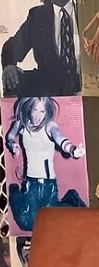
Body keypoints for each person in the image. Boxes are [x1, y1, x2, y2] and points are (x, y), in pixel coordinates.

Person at [1, 0, 80, 97]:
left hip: (84, 80)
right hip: (50, 87)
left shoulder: (85, 8)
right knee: (13, 81)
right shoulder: (37, 17)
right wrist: (8, 65)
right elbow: (12, 47)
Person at [4, 96, 86, 231]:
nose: (38, 115)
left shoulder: (50, 126)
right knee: (28, 224)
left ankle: (71, 200)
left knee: (48, 223)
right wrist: (12, 144)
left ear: (47, 112)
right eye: (35, 110)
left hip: (49, 185)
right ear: (29, 109)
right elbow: (10, 136)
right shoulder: (21, 125)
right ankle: (14, 191)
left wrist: (72, 150)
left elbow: (60, 138)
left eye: (42, 111)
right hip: (31, 183)